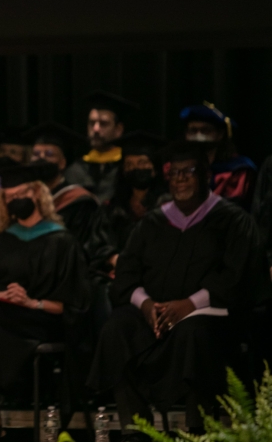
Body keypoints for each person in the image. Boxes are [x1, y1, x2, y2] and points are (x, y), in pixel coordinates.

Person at [86, 142, 267, 439]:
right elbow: (125, 278)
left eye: (189, 172)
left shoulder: (232, 221)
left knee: (193, 333)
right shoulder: (152, 223)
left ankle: (198, 431)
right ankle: (137, 430)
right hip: (156, 317)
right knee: (116, 329)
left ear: (206, 176)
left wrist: (189, 305)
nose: (180, 179)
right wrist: (146, 305)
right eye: (174, 173)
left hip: (212, 319)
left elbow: (238, 278)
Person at [0, 162, 89, 441]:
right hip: (5, 316)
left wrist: (31, 302)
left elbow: (72, 305)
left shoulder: (62, 241)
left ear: (38, 193)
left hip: (46, 319)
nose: (17, 200)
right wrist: (2, 295)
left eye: (22, 193)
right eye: (10, 197)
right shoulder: (2, 241)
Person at [85, 131, 169, 278]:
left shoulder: (168, 206)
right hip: (116, 277)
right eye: (129, 164)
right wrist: (114, 259)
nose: (135, 168)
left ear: (154, 169)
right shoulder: (111, 208)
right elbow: (97, 245)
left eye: (142, 163)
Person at [24, 122, 99, 245]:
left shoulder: (79, 202)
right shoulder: (24, 198)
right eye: (36, 154)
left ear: (62, 163)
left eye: (49, 154)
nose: (41, 158)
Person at [180, 101, 256, 208]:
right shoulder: (177, 166)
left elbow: (234, 206)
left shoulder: (237, 169)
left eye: (205, 130)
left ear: (220, 134)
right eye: (193, 130)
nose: (198, 136)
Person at [66, 91, 139, 202]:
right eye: (92, 123)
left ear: (118, 130)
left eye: (103, 123)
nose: (95, 129)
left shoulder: (126, 167)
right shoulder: (75, 170)